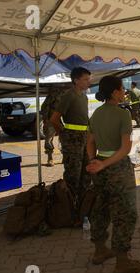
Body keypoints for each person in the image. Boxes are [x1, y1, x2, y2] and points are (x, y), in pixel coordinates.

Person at [86, 75, 140, 273]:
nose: (124, 92)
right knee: (125, 214)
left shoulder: (97, 113)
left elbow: (90, 142)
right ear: (114, 92)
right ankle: (122, 262)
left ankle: (100, 251)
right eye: (122, 89)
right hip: (117, 168)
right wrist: (104, 163)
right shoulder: (122, 115)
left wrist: (94, 161)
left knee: (101, 209)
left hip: (100, 168)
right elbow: (125, 148)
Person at [50, 67, 92, 224]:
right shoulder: (68, 96)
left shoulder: (84, 97)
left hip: (84, 138)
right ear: (76, 80)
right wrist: (64, 135)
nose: (89, 82)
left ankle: (82, 208)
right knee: (73, 175)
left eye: (89, 79)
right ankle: (69, 210)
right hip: (72, 140)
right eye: (86, 79)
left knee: (85, 173)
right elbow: (54, 119)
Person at [40, 87, 65, 167]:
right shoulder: (53, 94)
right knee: (49, 139)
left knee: (64, 138)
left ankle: (65, 156)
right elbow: (44, 107)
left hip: (64, 119)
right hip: (52, 118)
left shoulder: (69, 94)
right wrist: (46, 119)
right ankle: (50, 158)